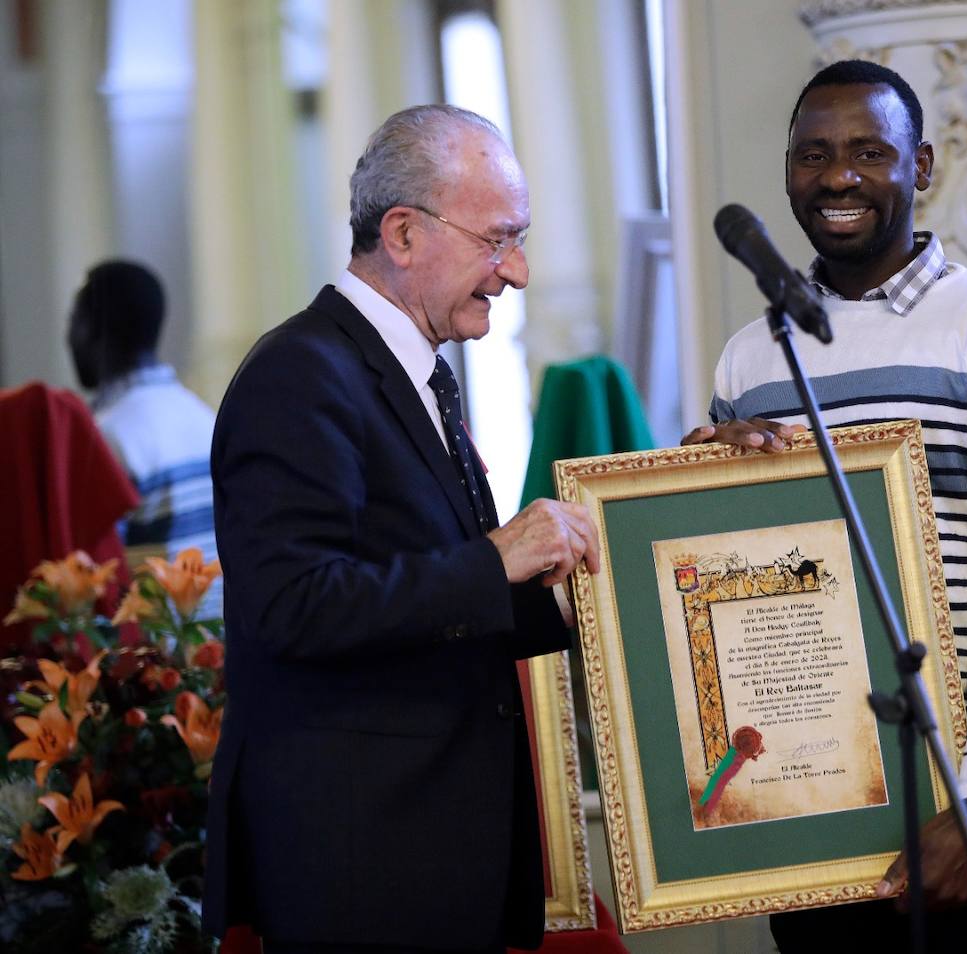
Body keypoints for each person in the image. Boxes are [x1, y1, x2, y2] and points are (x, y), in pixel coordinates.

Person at [683, 60, 967, 952]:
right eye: (813, 155)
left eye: (870, 151)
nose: (837, 177)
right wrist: (685, 493)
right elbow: (732, 591)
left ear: (924, 166)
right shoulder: (750, 361)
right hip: (814, 800)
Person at [203, 105, 600, 954]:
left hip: (434, 849)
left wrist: (578, 599)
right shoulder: (298, 375)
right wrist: (496, 560)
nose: (519, 271)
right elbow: (294, 606)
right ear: (404, 233)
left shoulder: (409, 368)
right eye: (499, 239)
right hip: (361, 862)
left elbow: (426, 589)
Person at [67, 260, 221, 616]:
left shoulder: (103, 440)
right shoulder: (204, 417)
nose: (69, 339)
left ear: (93, 329)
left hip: (150, 664)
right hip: (212, 660)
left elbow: (93, 589)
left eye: (72, 322)